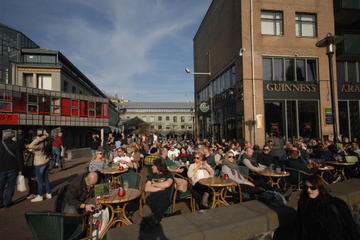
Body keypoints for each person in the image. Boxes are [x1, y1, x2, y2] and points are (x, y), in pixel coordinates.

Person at [297, 175, 360, 240]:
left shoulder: (336, 204)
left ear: (320, 188)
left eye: (313, 188)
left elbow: (351, 226)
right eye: (306, 187)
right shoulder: (303, 203)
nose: (309, 190)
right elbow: (301, 227)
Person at [144, 158, 174, 224]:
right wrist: (159, 188)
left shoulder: (167, 174)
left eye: (153, 165)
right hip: (153, 197)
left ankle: (155, 220)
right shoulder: (151, 176)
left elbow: (167, 184)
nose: (152, 167)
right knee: (150, 201)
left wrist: (154, 185)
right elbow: (147, 188)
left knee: (161, 197)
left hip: (164, 198)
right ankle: (153, 219)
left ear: (158, 166)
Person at [0, 129, 23, 208]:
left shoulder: (0, 144)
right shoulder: (15, 145)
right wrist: (21, 168)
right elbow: (19, 158)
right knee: (10, 185)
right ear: (12, 136)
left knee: (1, 186)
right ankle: (8, 201)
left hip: (1, 168)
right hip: (13, 168)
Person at [28, 133, 52, 202]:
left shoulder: (39, 146)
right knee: (46, 179)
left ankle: (40, 195)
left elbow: (30, 146)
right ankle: (49, 193)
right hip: (46, 162)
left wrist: (37, 139)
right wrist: (45, 136)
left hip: (39, 163)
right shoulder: (47, 143)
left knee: (39, 181)